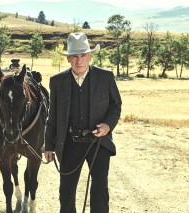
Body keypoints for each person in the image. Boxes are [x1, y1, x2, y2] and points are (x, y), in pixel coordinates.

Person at [44, 32, 122, 213]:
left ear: (90, 56)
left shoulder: (106, 77)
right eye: (75, 56)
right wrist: (49, 145)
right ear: (69, 59)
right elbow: (53, 116)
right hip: (70, 142)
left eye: (83, 55)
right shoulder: (57, 81)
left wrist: (108, 125)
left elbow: (115, 105)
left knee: (100, 188)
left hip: (99, 142)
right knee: (66, 192)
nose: (79, 60)